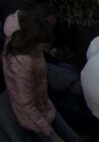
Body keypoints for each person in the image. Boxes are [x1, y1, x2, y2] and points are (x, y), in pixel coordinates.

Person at [2, 10, 81, 141]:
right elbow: (27, 106)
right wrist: (51, 134)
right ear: (33, 40)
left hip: (44, 105)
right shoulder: (21, 65)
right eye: (43, 47)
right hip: (35, 118)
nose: (45, 50)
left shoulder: (25, 45)